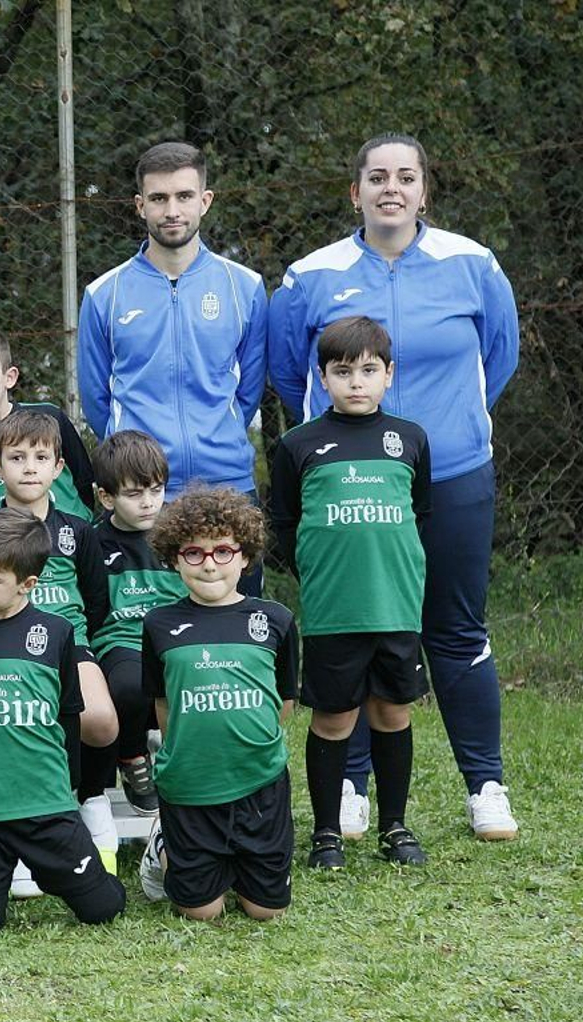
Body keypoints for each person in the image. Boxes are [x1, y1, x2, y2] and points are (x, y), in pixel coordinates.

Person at [267, 132, 521, 842]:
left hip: (456, 471)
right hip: (348, 483)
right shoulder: (310, 275)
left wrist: (443, 431)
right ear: (355, 191)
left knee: (456, 628)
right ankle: (349, 788)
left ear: (423, 190)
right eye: (377, 176)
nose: (391, 188)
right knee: (353, 629)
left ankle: (485, 784)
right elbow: (292, 372)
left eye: (406, 176)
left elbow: (498, 359)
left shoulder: (473, 264)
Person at [268, 316, 432, 868]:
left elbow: (421, 515)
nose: (356, 382)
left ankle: (394, 826)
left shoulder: (409, 438)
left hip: (396, 605)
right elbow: (285, 523)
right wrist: (321, 568)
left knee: (392, 713)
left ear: (389, 374)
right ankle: (327, 835)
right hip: (334, 610)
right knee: (334, 719)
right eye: (342, 372)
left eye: (368, 371)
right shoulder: (298, 444)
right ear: (323, 377)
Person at [0, 409, 119, 880]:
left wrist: (76, 641)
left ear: (58, 468)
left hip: (66, 644)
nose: (29, 467)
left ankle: (88, 798)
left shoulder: (78, 530)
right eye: (16, 457)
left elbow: (96, 601)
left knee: (100, 722)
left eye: (40, 457)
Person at [0, 509, 124, 933]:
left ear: (27, 585)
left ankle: (56, 869)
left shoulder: (56, 632)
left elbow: (68, 714)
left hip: (47, 806)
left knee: (104, 909)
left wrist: (73, 787)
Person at [138, 488, 298, 922]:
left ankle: (238, 863)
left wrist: (250, 742)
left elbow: (283, 699)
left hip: (259, 782)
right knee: (202, 913)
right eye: (194, 552)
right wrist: (188, 748)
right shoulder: (159, 625)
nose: (209, 563)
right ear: (174, 559)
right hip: (191, 784)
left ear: (245, 557)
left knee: (266, 912)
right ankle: (166, 846)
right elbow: (163, 702)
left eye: (223, 551)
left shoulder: (275, 621)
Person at [76, 142, 268, 501]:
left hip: (227, 484)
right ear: (140, 205)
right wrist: (134, 459)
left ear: (205, 201)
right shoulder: (104, 294)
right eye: (159, 198)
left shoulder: (245, 286)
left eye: (184, 196)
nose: (172, 210)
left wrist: (217, 438)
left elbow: (249, 391)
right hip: (140, 491)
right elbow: (96, 399)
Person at [85, 431, 186, 817]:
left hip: (176, 635)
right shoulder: (92, 541)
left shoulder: (179, 533)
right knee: (129, 687)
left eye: (156, 490)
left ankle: (186, 763)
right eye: (134, 494)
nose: (148, 503)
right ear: (106, 497)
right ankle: (131, 756)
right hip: (121, 638)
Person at [0, 326, 95, 520]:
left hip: (74, 544)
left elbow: (83, 480)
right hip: (6, 548)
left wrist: (81, 525)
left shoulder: (51, 417)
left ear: (10, 377)